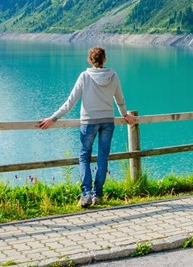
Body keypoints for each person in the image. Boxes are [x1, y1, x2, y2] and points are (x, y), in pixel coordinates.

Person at [38, 46, 137, 208]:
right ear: (104, 59)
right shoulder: (113, 76)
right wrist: (125, 114)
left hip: (88, 122)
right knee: (103, 157)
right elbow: (120, 99)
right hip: (107, 121)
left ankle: (86, 194)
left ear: (90, 60)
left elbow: (70, 103)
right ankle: (97, 194)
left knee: (84, 156)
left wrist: (53, 118)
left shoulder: (84, 77)